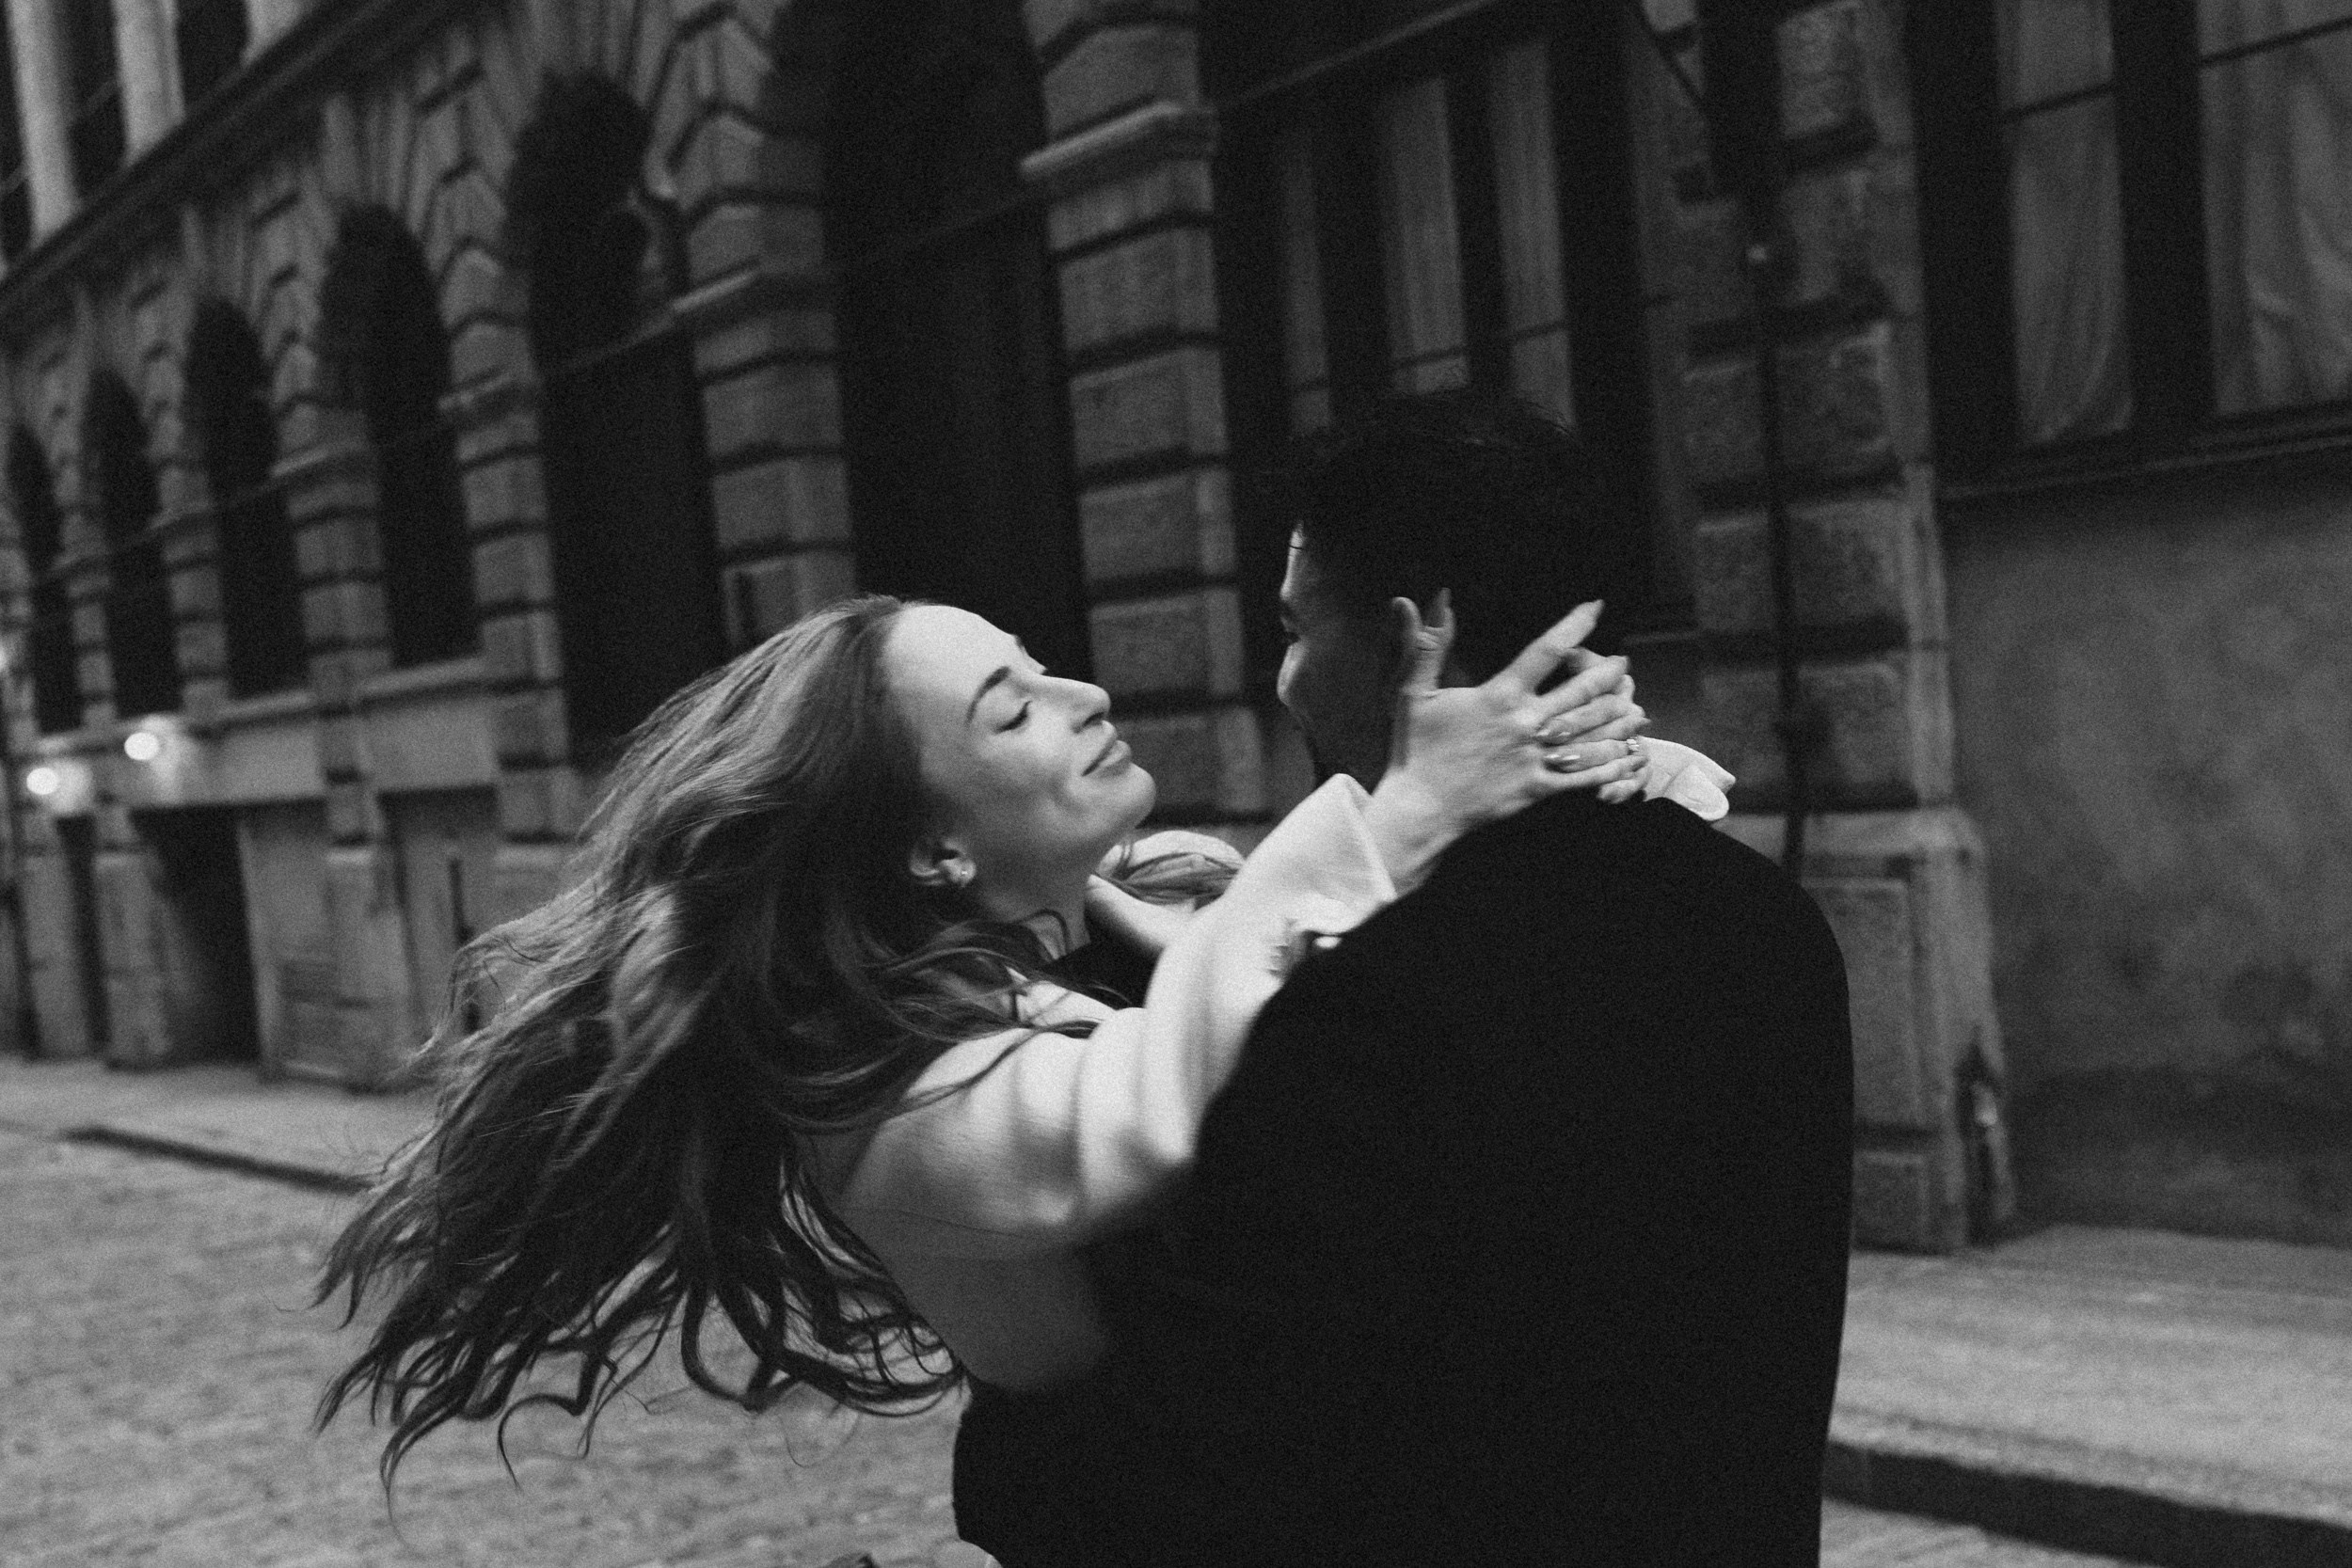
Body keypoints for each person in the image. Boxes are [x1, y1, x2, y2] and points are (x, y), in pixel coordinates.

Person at [310, 584, 1730, 1510]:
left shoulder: (1167, 896)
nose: (1087, 696)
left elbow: (1393, 1001)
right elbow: (1147, 1106)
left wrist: (1592, 791)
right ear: (931, 846)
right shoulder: (887, 1107)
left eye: (1044, 663)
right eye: (1014, 703)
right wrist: (1408, 809)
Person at [1026, 389, 1858, 1567]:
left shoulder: (1379, 1002)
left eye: (1294, 630)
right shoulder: (1767, 921)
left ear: (1412, 636)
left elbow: (1205, 1459)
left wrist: (1009, 1431)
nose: (1285, 681)